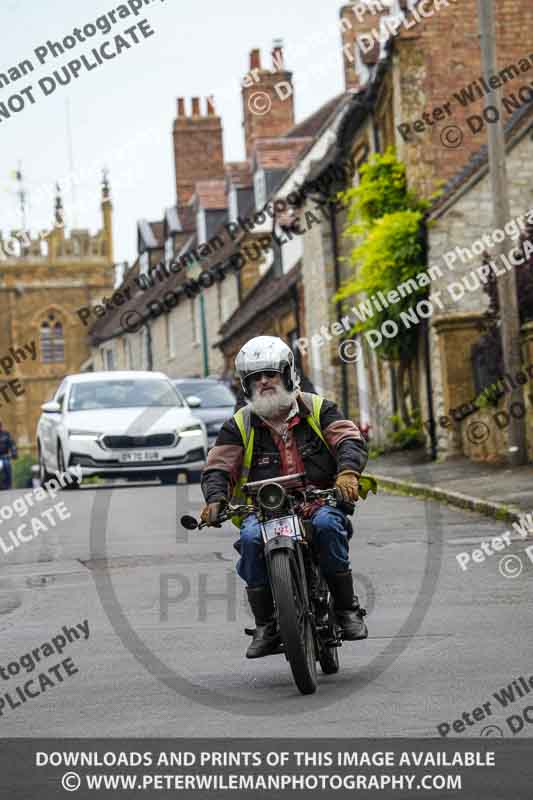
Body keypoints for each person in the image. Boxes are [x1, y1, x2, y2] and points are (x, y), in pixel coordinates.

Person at [200, 335, 369, 658]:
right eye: (255, 377)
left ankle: (347, 609)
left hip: (317, 501)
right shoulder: (240, 424)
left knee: (329, 527)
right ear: (246, 385)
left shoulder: (318, 408)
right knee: (250, 540)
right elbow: (218, 466)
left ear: (288, 373)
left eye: (270, 374)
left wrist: (347, 472)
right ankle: (266, 624)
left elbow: (349, 439)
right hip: (265, 511)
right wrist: (215, 499)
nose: (263, 381)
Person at [0, 421, 17, 490]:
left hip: (4, 456)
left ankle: (8, 484)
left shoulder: (6, 434)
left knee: (7, 465)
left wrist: (14, 453)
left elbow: (12, 444)